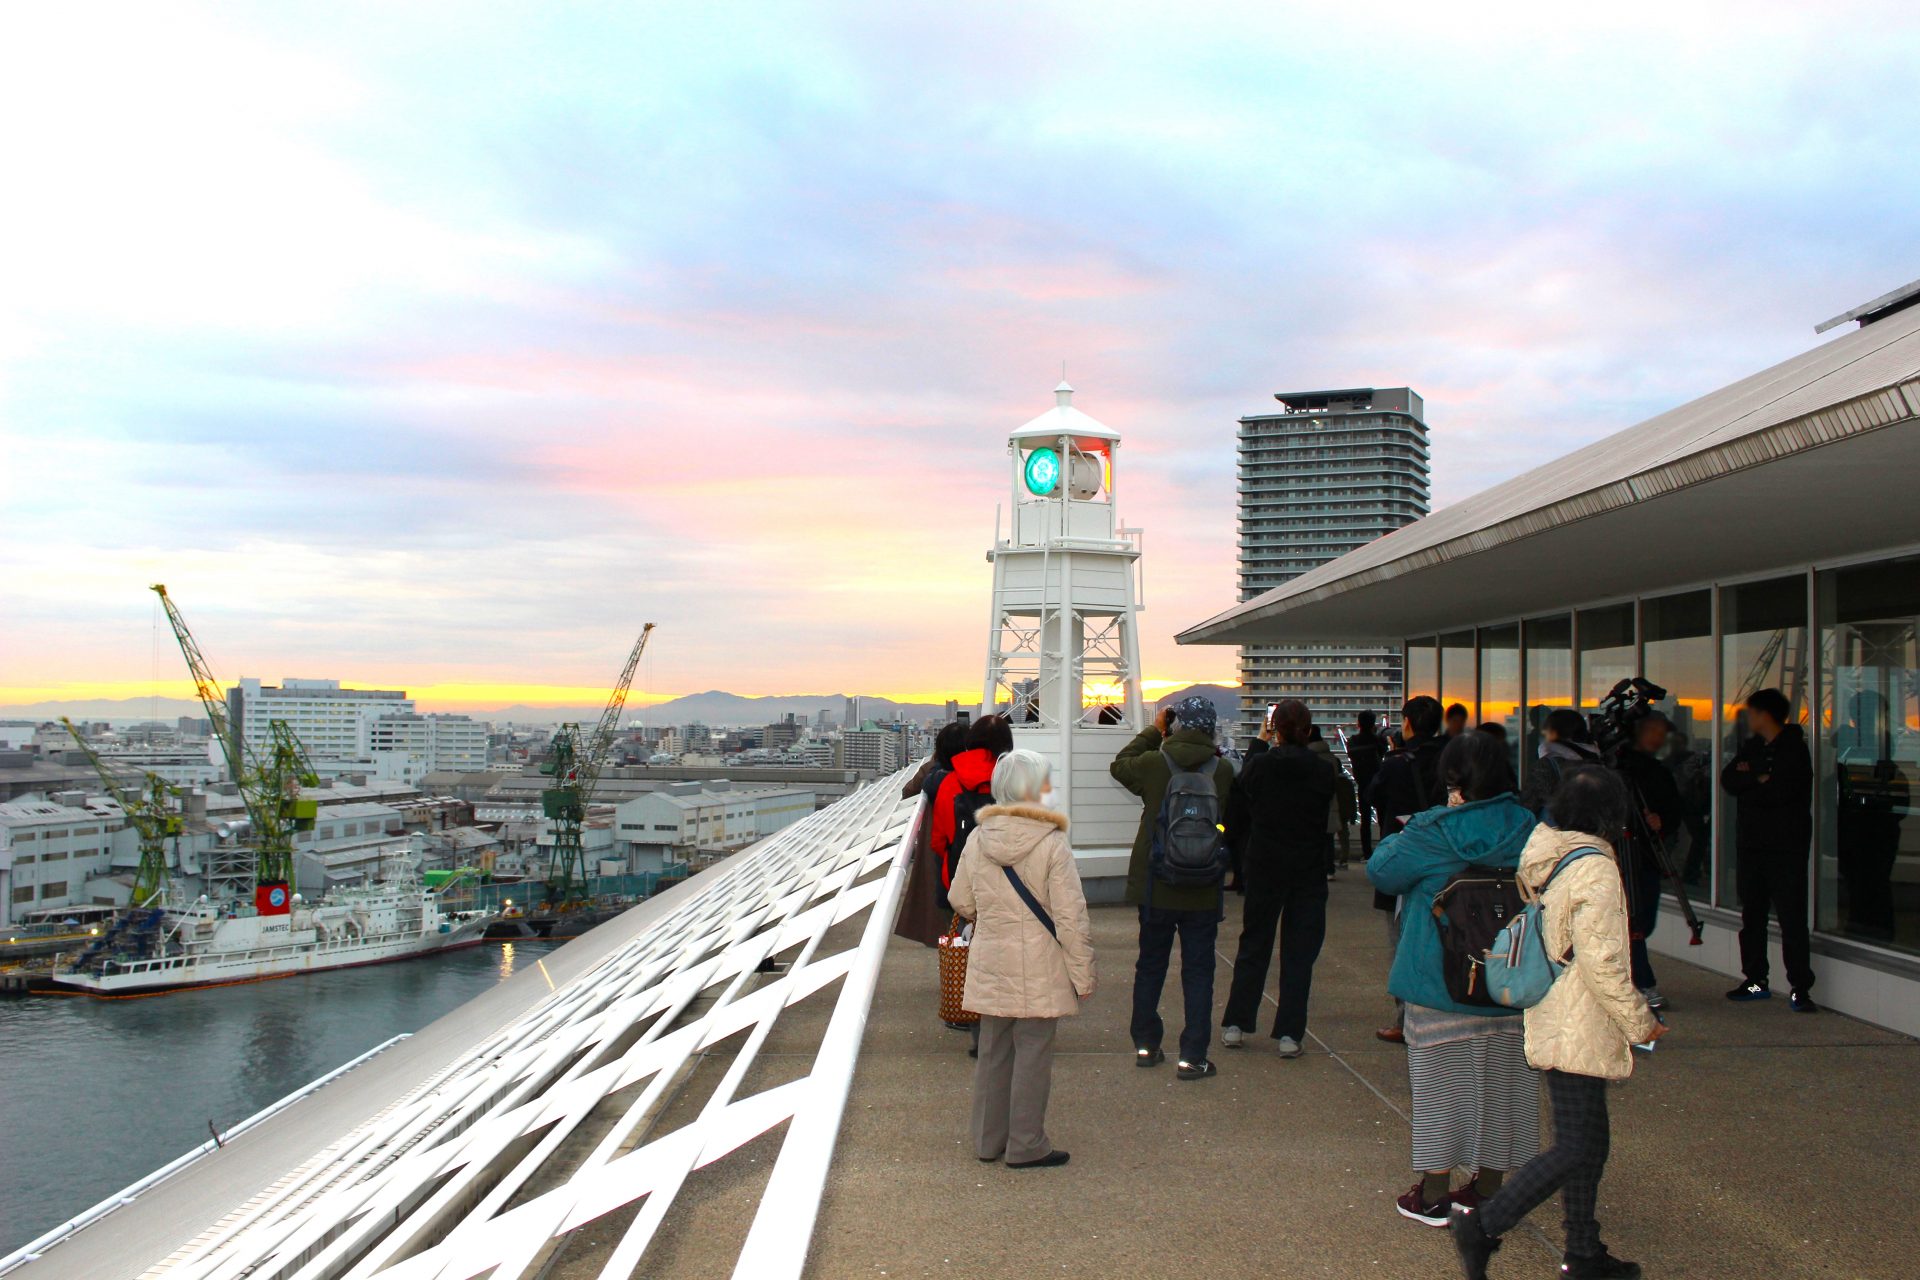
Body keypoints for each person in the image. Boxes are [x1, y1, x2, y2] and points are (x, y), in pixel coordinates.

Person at [1450, 767, 1666, 1280]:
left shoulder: (1551, 852)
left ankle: (1585, 1250)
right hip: (1580, 1017)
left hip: (1557, 1009)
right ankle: (1483, 1225)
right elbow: (1603, 961)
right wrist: (1641, 1022)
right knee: (1578, 1144)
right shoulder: (1595, 867)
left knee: (1590, 1141)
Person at [1367, 731, 1540, 1228]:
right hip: (1512, 981)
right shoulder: (1529, 826)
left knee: (1442, 1088)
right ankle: (1488, 1189)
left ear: (1453, 779)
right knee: (1506, 1086)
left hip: (1439, 982)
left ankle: (1434, 1195)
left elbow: (1383, 872)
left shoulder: (1432, 830)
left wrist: (1405, 833)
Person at [948, 749, 1096, 1170]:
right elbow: (1070, 917)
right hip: (1040, 964)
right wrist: (1082, 974)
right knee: (1032, 1053)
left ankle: (987, 1140)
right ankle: (1026, 1143)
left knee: (994, 1051)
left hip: (992, 959)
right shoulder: (1050, 842)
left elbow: (960, 899)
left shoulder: (979, 839)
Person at [1110, 693, 1235, 1080]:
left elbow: (1119, 766)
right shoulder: (1222, 770)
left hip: (1156, 881)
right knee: (1199, 971)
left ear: (1176, 724)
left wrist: (1154, 729)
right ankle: (1193, 1056)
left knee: (1151, 964)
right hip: (1202, 884)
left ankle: (1147, 1046)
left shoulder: (1153, 764)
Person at [1222, 700, 1335, 1057]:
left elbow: (1240, 792)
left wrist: (1260, 741)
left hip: (1265, 863)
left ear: (1275, 728)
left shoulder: (1261, 766)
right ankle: (1289, 1033)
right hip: (1307, 866)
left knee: (1255, 942)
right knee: (1299, 953)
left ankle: (1236, 1024)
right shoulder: (1322, 771)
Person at [1720, 688, 1817, 1011]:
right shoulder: (1752, 747)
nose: (1748, 718)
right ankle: (1755, 979)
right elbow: (1729, 779)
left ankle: (1800, 988)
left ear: (1765, 714)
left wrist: (1757, 780)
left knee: (1791, 918)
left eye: (1752, 712)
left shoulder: (1793, 749)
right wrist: (1756, 779)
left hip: (1785, 847)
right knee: (1753, 915)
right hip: (1752, 845)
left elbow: (1782, 792)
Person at [1364, 695, 1448, 1044]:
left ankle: (1406, 1017)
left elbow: (1372, 796)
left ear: (1408, 723)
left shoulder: (1397, 762)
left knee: (1402, 938)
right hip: (1447, 857)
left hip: (1404, 858)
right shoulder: (1451, 758)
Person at [1613, 712, 1697, 1010]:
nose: (1660, 738)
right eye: (1656, 731)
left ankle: (1636, 979)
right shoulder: (1619, 768)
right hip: (1619, 854)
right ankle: (1642, 983)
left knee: (1641, 920)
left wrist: (1662, 821)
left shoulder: (1654, 771)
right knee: (1631, 920)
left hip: (1645, 854)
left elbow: (1673, 809)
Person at [895, 722, 969, 948]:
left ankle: (952, 966)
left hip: (936, 846)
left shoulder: (932, 773)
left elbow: (907, 792)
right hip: (967, 845)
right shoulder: (974, 776)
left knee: (942, 908)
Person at [931, 715, 1014, 912]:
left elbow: (938, 841)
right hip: (1008, 887)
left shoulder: (950, 783)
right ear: (1007, 744)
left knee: (961, 940)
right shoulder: (1015, 780)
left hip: (960, 884)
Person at [1518, 709, 1603, 818]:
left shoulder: (1547, 765)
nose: (1544, 732)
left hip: (1559, 832)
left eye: (1547, 728)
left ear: (1555, 732)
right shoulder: (1600, 762)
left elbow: (1528, 808)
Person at [1305, 724, 1356, 873]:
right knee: (1330, 837)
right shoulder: (1331, 758)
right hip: (1331, 802)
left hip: (1311, 804)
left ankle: (1318, 866)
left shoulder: (1306, 757)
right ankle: (1330, 867)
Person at [1347, 710, 1389, 861]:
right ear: (1373, 724)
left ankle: (1367, 853)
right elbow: (1384, 752)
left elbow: (1351, 755)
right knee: (1383, 819)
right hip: (1378, 782)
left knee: (1365, 820)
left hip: (1362, 782)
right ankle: (1385, 850)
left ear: (1358, 724)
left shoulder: (1352, 741)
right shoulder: (1377, 740)